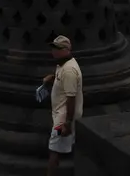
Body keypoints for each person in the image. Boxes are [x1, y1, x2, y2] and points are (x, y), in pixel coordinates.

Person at [42, 35, 83, 176]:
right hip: (60, 115)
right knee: (60, 148)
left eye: (58, 49)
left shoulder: (69, 71)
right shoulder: (62, 64)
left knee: (54, 149)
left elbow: (71, 98)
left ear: (66, 50)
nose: (54, 51)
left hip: (62, 120)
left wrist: (67, 123)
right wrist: (52, 78)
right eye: (53, 47)